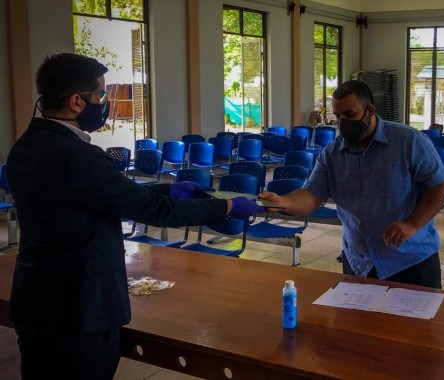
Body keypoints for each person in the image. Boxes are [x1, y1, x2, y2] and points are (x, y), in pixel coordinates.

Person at [6, 53, 263, 380]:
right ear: (76, 102)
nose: (104, 102)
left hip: (36, 301)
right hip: (78, 307)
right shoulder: (78, 156)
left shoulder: (25, 147)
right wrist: (225, 207)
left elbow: (99, 195)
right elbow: (152, 211)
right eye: (100, 95)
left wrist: (168, 190)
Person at [259, 80, 444, 289]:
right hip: (359, 263)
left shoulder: (409, 141)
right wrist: (283, 201)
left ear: (369, 111)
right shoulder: (332, 154)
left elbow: (438, 186)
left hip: (411, 260)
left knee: (417, 322)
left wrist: (412, 223)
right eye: (338, 116)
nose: (343, 122)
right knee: (358, 322)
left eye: (349, 115)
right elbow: (311, 195)